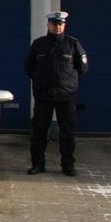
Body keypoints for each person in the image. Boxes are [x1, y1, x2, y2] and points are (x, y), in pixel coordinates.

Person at [25, 11, 89, 176]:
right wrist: (41, 82)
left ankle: (68, 165)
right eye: (54, 24)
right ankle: (38, 164)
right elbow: (30, 67)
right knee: (39, 131)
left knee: (67, 132)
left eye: (60, 24)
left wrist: (68, 83)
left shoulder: (72, 44)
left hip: (66, 96)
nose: (57, 27)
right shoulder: (39, 44)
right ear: (48, 25)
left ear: (64, 25)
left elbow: (82, 68)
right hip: (44, 95)